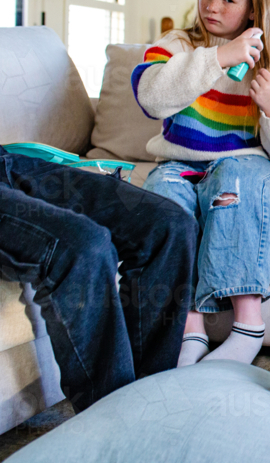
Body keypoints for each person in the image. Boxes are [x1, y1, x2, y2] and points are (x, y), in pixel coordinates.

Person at [132, 0, 270, 367]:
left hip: (246, 164)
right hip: (179, 164)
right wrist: (218, 57)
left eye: (228, 0)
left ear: (254, 7)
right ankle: (189, 326)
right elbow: (152, 99)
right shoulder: (178, 45)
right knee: (163, 197)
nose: (212, 6)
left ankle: (248, 324)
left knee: (233, 182)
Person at [0, 146, 198, 411]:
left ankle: (150, 403)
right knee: (82, 246)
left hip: (7, 161)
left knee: (171, 225)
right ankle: (114, 424)